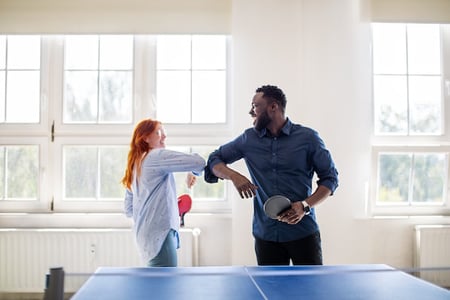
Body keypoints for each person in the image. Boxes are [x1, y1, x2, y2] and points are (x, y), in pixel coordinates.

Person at [204, 85, 338, 265]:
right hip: (265, 235)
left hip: (304, 233)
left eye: (255, 106)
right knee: (270, 292)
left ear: (273, 107)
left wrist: (305, 206)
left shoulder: (308, 138)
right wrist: (234, 176)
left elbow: (330, 179)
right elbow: (214, 159)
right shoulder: (248, 139)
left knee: (309, 293)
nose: (251, 112)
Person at [122, 118, 206, 267]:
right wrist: (192, 170)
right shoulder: (155, 156)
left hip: (144, 236)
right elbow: (199, 162)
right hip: (160, 234)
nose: (164, 136)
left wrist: (160, 206)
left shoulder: (135, 165)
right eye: (159, 132)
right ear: (145, 138)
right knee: (165, 285)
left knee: (156, 284)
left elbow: (129, 209)